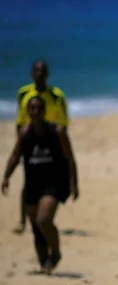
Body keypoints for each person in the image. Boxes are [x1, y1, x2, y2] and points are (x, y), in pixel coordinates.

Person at [2, 97, 79, 275]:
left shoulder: (57, 132)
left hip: (54, 184)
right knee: (35, 227)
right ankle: (44, 262)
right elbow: (15, 156)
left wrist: (74, 184)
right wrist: (6, 177)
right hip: (32, 184)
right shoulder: (24, 133)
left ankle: (56, 252)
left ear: (44, 111)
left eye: (38, 108)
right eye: (31, 109)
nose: (35, 112)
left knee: (43, 220)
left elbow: (70, 159)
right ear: (27, 111)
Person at [12, 60, 70, 235]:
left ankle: (45, 217)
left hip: (52, 143)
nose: (39, 74)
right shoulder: (23, 93)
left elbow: (63, 122)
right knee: (28, 183)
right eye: (37, 71)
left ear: (48, 74)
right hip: (30, 142)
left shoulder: (57, 95)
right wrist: (22, 145)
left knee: (51, 181)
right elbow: (20, 120)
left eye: (43, 71)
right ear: (31, 73)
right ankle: (24, 221)